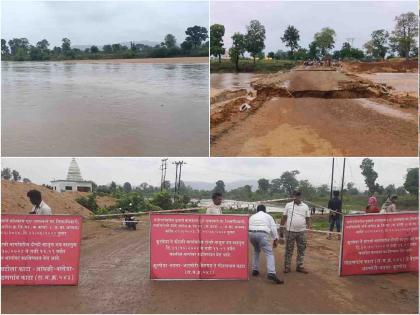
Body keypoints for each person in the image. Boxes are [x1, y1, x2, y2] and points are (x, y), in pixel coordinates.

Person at [249, 204, 283, 284]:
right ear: (265, 210)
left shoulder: (252, 216)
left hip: (251, 235)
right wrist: (276, 239)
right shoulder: (268, 216)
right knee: (269, 253)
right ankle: (271, 272)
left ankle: (255, 270)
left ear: (257, 210)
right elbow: (273, 228)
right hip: (262, 234)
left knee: (256, 251)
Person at [280, 191, 310, 274]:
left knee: (302, 249)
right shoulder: (288, 205)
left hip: (302, 231)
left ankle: (300, 266)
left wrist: (309, 226)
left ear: (300, 197)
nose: (296, 198)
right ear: (293, 196)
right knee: (289, 249)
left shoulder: (305, 206)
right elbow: (284, 217)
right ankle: (287, 267)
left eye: (298, 196)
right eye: (294, 196)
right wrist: (281, 228)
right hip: (290, 231)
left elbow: (307, 218)